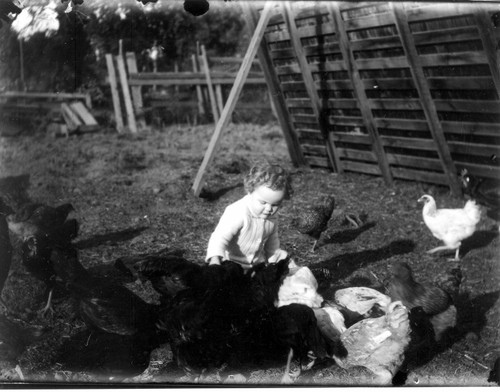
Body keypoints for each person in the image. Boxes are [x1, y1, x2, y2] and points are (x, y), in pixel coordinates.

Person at [206, 161, 294, 270]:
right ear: (250, 191)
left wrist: (275, 260)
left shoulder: (272, 217)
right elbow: (219, 238)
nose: (269, 209)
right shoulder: (237, 212)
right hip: (231, 265)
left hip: (257, 265)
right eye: (263, 203)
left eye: (275, 205)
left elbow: (272, 244)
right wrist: (215, 260)